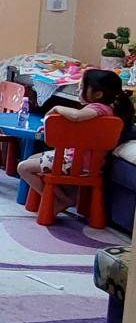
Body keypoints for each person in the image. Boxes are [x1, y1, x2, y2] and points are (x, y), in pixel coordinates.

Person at [17, 68, 135, 216]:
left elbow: (76, 116)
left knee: (23, 168)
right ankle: (55, 198)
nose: (78, 91)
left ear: (98, 94)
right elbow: (76, 129)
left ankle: (61, 199)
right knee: (32, 159)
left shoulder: (98, 109)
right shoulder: (105, 110)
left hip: (76, 162)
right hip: (84, 161)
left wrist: (56, 108)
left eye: (82, 88)